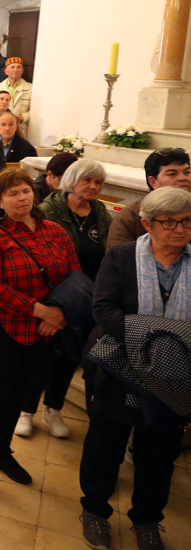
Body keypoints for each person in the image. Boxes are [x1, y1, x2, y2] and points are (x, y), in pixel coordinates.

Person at [79, 186, 190, 550]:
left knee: (158, 455)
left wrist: (168, 349)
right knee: (104, 446)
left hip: (174, 377)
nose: (180, 229)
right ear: (147, 224)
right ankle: (95, 510)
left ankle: (146, 520)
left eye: (187, 221)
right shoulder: (123, 258)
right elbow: (104, 310)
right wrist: (161, 340)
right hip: (119, 368)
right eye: (169, 222)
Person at [0, 168, 79, 501]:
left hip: (45, 329)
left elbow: (73, 276)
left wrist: (58, 315)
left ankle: (0, 451)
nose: (22, 197)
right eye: (12, 193)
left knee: (21, 393)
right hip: (2, 325)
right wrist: (42, 311)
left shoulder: (54, 231)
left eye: (25, 190)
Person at [14, 159, 109, 440]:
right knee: (43, 357)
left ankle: (53, 408)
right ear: (72, 180)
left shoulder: (101, 213)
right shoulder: (48, 211)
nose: (93, 187)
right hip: (53, 297)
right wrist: (54, 308)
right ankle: (26, 410)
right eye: (87, 181)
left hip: (86, 298)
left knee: (69, 356)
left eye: (98, 183)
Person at [108, 147, 191, 248]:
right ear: (153, 182)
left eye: (187, 172)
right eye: (172, 174)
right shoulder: (132, 215)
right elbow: (118, 259)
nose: (183, 178)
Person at [0, 56, 33, 135]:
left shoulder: (31, 89)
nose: (15, 70)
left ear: (22, 71)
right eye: (12, 67)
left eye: (19, 67)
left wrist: (24, 117)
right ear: (6, 71)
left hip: (21, 129)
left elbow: (37, 111)